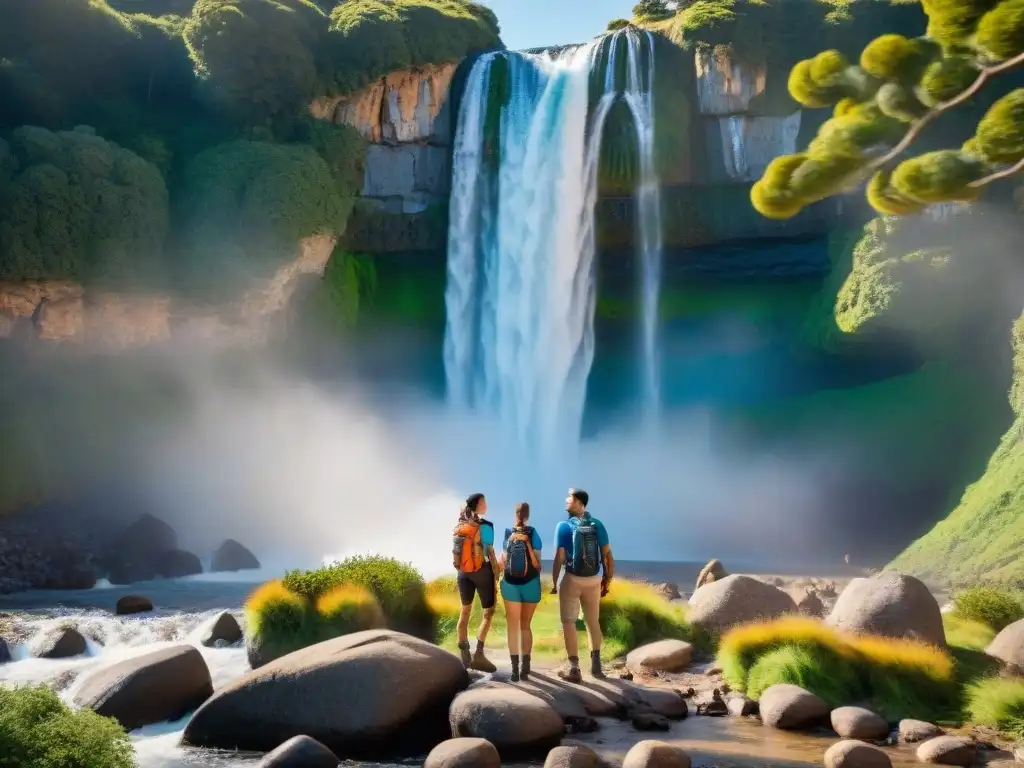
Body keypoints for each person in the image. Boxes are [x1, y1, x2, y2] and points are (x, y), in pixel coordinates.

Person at [551, 487, 614, 683]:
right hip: (594, 579)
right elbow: (607, 555)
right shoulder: (597, 524)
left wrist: (555, 582)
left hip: (572, 578)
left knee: (569, 622)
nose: (566, 501)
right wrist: (607, 580)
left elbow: (559, 558)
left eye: (569, 499)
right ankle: (596, 665)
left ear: (580, 503)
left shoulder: (563, 526)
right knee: (592, 620)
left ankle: (574, 667)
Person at [452, 492, 498, 672]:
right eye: (484, 501)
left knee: (464, 613)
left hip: (463, 573)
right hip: (482, 571)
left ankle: (464, 657)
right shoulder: (486, 526)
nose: (486, 504)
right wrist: (496, 576)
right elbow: (490, 554)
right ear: (478, 505)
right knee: (488, 613)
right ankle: (479, 655)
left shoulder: (459, 525)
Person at [500, 502, 543, 683]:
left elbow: (503, 563)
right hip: (530, 584)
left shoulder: (507, 534)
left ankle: (514, 670)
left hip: (510, 584)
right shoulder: (533, 534)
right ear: (527, 515)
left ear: (515, 514)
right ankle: (526, 667)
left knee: (512, 626)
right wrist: (528, 546)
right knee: (525, 625)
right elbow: (538, 566)